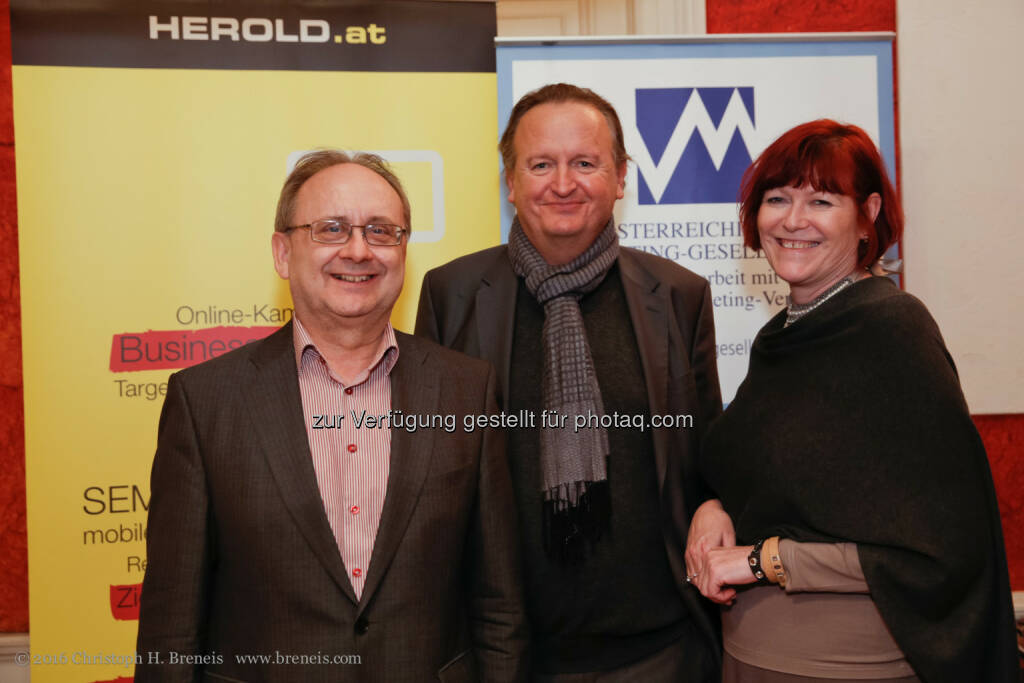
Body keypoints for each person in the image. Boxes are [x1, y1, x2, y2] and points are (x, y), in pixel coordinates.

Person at [136, 150, 527, 683]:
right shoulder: (205, 402)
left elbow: (498, 604)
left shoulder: (467, 390)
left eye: (382, 231)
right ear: (282, 252)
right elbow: (170, 631)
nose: (360, 250)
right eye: (332, 229)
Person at [686, 120, 1018, 682]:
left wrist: (762, 560)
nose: (793, 220)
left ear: (867, 217)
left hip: (846, 668)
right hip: (750, 656)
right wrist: (711, 508)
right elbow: (758, 477)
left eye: (821, 200)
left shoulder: (892, 330)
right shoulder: (783, 338)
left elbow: (939, 546)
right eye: (777, 199)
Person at [416, 83, 723, 681]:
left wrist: (714, 500)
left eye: (585, 162)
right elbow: (430, 473)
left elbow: (707, 450)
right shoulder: (450, 294)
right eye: (540, 165)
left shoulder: (680, 296)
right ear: (510, 182)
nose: (563, 183)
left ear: (620, 176)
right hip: (509, 654)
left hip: (659, 648)